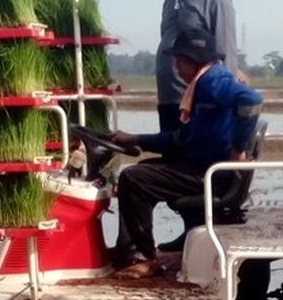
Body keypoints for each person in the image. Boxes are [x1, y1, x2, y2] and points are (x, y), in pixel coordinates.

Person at [109, 27, 262, 279]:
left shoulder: (212, 81)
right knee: (142, 172)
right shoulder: (204, 83)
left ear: (193, 60)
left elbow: (251, 100)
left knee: (133, 179)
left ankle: (142, 258)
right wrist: (135, 139)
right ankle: (133, 252)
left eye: (179, 60)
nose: (177, 67)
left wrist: (239, 150)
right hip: (202, 165)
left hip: (210, 173)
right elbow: (181, 139)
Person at [142, 0, 243, 132]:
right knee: (171, 155)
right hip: (169, 98)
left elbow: (227, 51)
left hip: (199, 103)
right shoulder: (170, 0)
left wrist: (222, 101)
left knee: (195, 158)